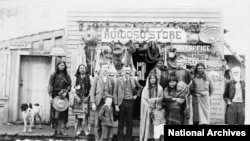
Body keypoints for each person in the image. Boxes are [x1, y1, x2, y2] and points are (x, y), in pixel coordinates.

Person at [113, 65, 142, 141]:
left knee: (129, 121)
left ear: (130, 71)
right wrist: (116, 104)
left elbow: (140, 88)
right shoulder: (118, 80)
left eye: (128, 70)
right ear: (123, 71)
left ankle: (128, 138)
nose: (127, 72)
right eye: (125, 70)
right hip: (121, 102)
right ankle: (120, 138)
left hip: (130, 101)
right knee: (121, 121)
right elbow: (115, 92)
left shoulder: (133, 79)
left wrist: (136, 95)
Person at [90, 63, 115, 141]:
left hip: (107, 103)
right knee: (97, 123)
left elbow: (112, 92)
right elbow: (92, 91)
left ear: (108, 69)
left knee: (106, 121)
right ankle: (98, 139)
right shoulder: (96, 78)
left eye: (106, 68)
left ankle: (105, 139)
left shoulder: (111, 79)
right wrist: (93, 102)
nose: (105, 69)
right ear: (101, 69)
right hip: (99, 103)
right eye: (104, 67)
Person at [48, 61, 72, 135]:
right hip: (55, 95)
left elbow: (69, 85)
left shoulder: (67, 75)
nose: (62, 66)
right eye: (60, 65)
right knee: (54, 113)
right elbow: (50, 85)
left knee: (64, 113)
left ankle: (62, 130)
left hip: (64, 96)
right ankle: (54, 130)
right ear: (57, 66)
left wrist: (66, 92)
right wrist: (50, 96)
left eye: (63, 65)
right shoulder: (53, 75)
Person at [140, 74, 163, 141]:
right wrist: (148, 105)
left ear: (156, 79)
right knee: (147, 123)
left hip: (156, 108)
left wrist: (156, 103)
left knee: (156, 124)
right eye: (151, 78)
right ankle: (147, 137)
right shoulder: (145, 88)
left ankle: (156, 138)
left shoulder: (160, 88)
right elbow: (143, 99)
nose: (152, 79)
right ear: (149, 80)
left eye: (154, 78)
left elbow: (161, 97)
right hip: (148, 108)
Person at [73, 64, 91, 136]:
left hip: (86, 98)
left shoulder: (89, 78)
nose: (82, 69)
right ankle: (78, 130)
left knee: (86, 115)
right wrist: (76, 97)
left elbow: (91, 88)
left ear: (86, 69)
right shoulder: (76, 78)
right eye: (81, 68)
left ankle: (87, 130)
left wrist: (88, 97)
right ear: (79, 70)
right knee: (78, 115)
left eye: (84, 68)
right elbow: (73, 89)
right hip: (78, 98)